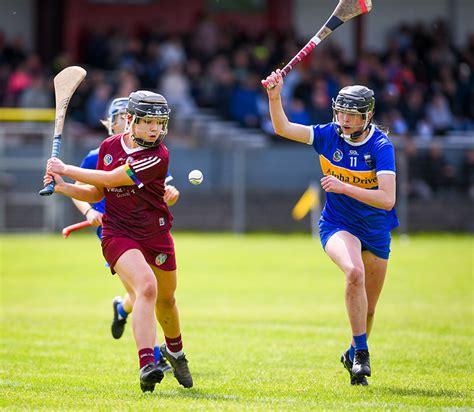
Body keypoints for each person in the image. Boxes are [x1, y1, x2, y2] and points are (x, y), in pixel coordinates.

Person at [44, 90, 193, 392]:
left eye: (160, 123)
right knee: (146, 288)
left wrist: (64, 169)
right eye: (149, 122)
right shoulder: (108, 146)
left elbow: (112, 179)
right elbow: (97, 193)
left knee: (167, 300)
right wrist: (63, 188)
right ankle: (146, 365)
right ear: (130, 120)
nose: (156, 129)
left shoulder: (158, 155)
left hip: (156, 233)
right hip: (118, 233)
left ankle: (175, 352)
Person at [262, 70, 399, 386]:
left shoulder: (381, 146)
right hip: (338, 224)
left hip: (376, 229)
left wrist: (343, 186)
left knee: (370, 309)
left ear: (368, 115)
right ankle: (362, 355)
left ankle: (352, 352)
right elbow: (282, 127)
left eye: (353, 114)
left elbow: (387, 199)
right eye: (341, 112)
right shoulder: (327, 135)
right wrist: (274, 96)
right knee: (354, 273)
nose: (346, 120)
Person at [71, 97, 178, 374]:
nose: (123, 123)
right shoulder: (98, 154)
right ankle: (153, 355)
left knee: (142, 291)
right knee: (144, 288)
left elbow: (159, 190)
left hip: (146, 230)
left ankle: (121, 309)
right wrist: (88, 212)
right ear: (115, 122)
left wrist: (171, 195)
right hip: (115, 230)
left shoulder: (148, 152)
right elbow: (84, 188)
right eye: (118, 118)